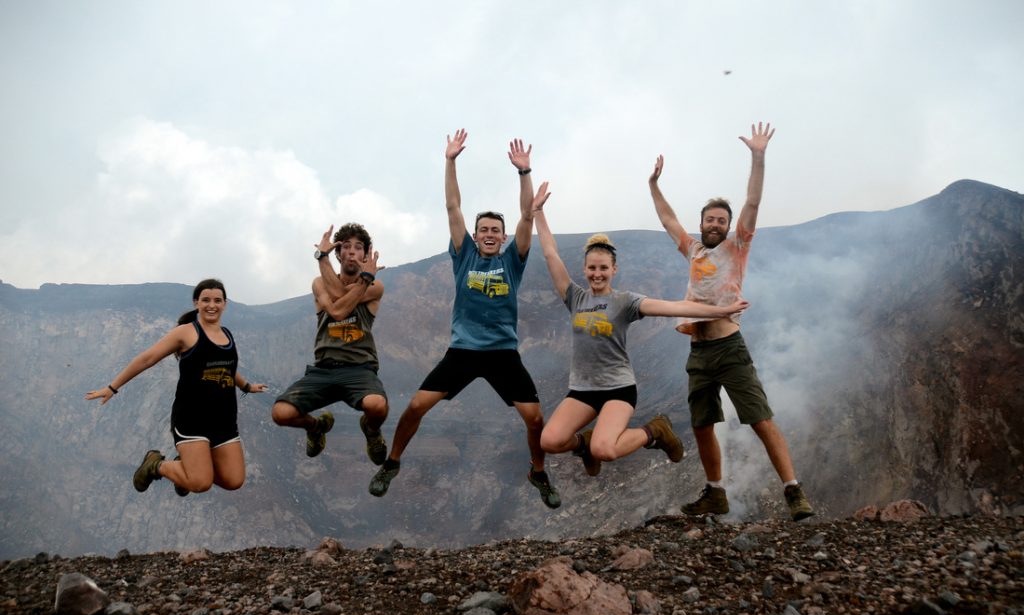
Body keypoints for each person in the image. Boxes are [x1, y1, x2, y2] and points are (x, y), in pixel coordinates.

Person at [368, 129, 559, 508]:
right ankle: (391, 463)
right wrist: (450, 161)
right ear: (475, 235)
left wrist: (524, 173)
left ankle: (538, 472)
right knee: (417, 407)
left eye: (495, 231)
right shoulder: (464, 255)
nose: (489, 234)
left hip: (504, 353)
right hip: (463, 351)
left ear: (504, 238)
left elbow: (526, 216)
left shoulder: (512, 261)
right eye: (483, 230)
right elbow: (453, 207)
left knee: (535, 420)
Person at [648, 122, 815, 521]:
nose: (715, 224)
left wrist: (758, 157)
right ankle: (715, 493)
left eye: (721, 220)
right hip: (698, 350)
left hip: (729, 347)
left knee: (759, 418)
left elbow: (752, 204)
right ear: (702, 222)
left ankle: (793, 491)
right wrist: (654, 184)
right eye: (710, 219)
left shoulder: (737, 247)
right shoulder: (692, 250)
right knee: (703, 425)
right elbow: (668, 219)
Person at [531, 182, 749, 476]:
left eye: (603, 268)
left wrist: (719, 310)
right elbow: (550, 255)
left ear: (614, 270)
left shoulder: (625, 301)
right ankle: (583, 444)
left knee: (605, 450)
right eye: (592, 268)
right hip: (582, 389)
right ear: (584, 270)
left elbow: (674, 306)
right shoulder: (574, 297)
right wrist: (538, 212)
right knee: (550, 441)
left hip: (618, 389)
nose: (597, 274)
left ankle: (654, 431)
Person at [86, 279, 267, 495]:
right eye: (206, 300)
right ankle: (156, 464)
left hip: (224, 420)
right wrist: (112, 387)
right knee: (200, 483)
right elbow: (147, 359)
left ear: (225, 304)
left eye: (217, 300)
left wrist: (246, 386)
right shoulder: (185, 333)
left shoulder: (227, 335)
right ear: (196, 303)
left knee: (234, 480)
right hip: (192, 418)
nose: (212, 305)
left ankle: (186, 467)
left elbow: (226, 368)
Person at [271, 223, 388, 464]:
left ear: (366, 255)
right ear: (338, 254)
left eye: (358, 248)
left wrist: (363, 279)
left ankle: (371, 430)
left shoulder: (376, 286)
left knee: (377, 406)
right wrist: (325, 259)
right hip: (324, 368)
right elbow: (336, 311)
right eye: (346, 247)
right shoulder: (319, 283)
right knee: (280, 413)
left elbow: (339, 304)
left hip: (359, 367)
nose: (352, 252)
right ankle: (316, 427)